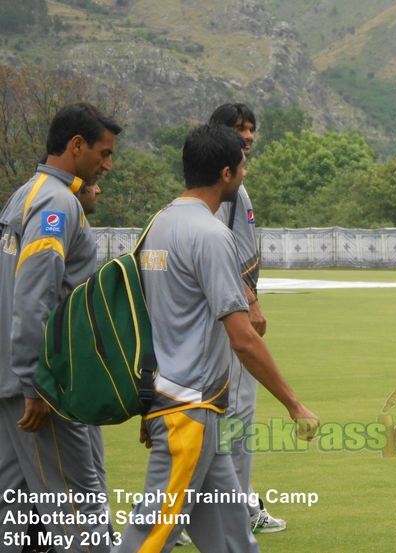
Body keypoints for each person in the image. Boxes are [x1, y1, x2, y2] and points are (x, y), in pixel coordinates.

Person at [115, 123, 318, 553]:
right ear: (226, 173)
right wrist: (294, 404)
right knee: (149, 538)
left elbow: (150, 322)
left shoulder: (159, 225)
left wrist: (149, 402)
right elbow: (242, 338)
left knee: (231, 537)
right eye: (242, 165)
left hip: (186, 408)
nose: (245, 173)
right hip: (189, 410)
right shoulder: (211, 235)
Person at [0, 102, 121, 553]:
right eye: (103, 153)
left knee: (13, 507)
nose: (106, 165)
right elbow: (34, 296)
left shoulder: (25, 193)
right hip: (45, 384)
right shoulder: (56, 202)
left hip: (12, 378)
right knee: (77, 505)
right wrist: (37, 383)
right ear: (76, 146)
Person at [208, 102, 285, 534]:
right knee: (236, 415)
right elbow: (230, 255)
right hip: (228, 316)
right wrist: (250, 302)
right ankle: (235, 509)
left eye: (252, 128)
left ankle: (193, 509)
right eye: (240, 129)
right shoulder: (225, 186)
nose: (249, 136)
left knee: (214, 417)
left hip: (215, 315)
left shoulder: (221, 185)